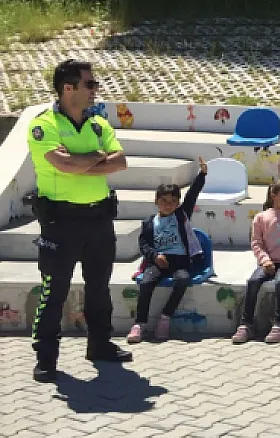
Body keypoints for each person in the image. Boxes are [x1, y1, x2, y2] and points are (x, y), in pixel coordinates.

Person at [27, 59, 130, 382]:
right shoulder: (44, 125)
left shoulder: (98, 124)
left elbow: (121, 161)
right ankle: (46, 357)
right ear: (67, 88)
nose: (95, 89)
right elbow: (63, 165)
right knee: (54, 290)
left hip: (98, 218)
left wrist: (82, 161)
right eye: (89, 84)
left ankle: (99, 345)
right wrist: (99, 158)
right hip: (61, 221)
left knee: (99, 286)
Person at [128, 157, 208, 343]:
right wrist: (155, 256)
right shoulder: (149, 223)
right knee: (147, 282)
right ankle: (140, 324)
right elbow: (144, 245)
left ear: (178, 203)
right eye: (163, 200)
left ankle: (165, 318)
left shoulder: (181, 215)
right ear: (156, 201)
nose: (168, 204)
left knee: (182, 280)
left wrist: (202, 175)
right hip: (159, 260)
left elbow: (192, 195)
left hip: (179, 260)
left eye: (173, 201)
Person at [232, 156, 280, 345]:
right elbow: (256, 243)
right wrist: (265, 260)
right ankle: (246, 324)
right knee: (253, 281)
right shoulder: (260, 217)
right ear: (274, 195)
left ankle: (279, 324)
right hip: (268, 261)